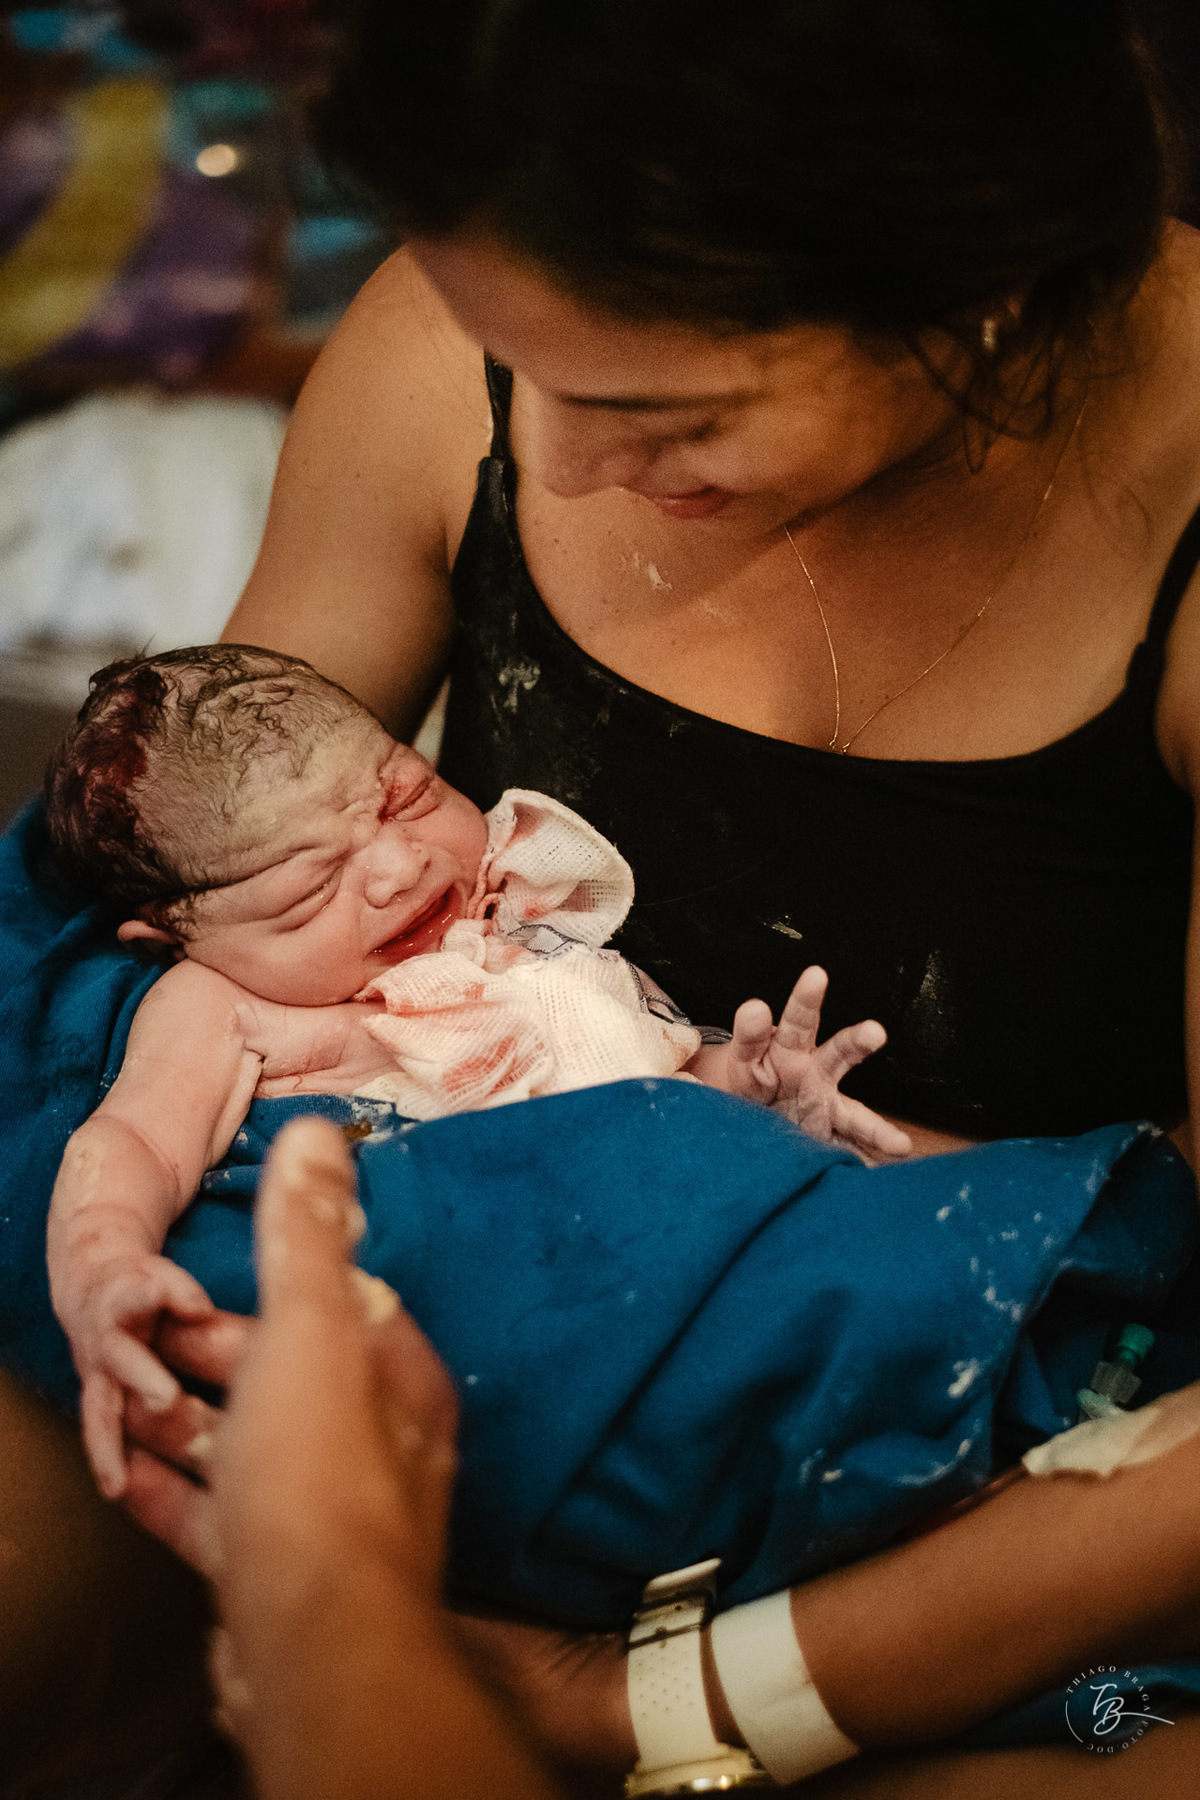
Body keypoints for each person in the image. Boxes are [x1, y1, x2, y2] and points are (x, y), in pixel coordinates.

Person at [5, 0, 1200, 1789]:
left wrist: (649, 1699)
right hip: (448, 1280)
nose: (551, 466)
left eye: (669, 411)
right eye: (516, 365)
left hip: (1003, 1399)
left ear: (977, 289)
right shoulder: (464, 344)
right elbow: (186, 859)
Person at [43, 641, 906, 1498]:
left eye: (408, 797)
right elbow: (135, 1143)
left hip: (681, 1253)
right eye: (309, 891)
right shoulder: (224, 1003)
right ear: (172, 940)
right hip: (491, 1314)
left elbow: (642, 1085)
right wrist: (102, 1264)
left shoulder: (520, 916)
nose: (399, 869)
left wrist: (752, 1092)